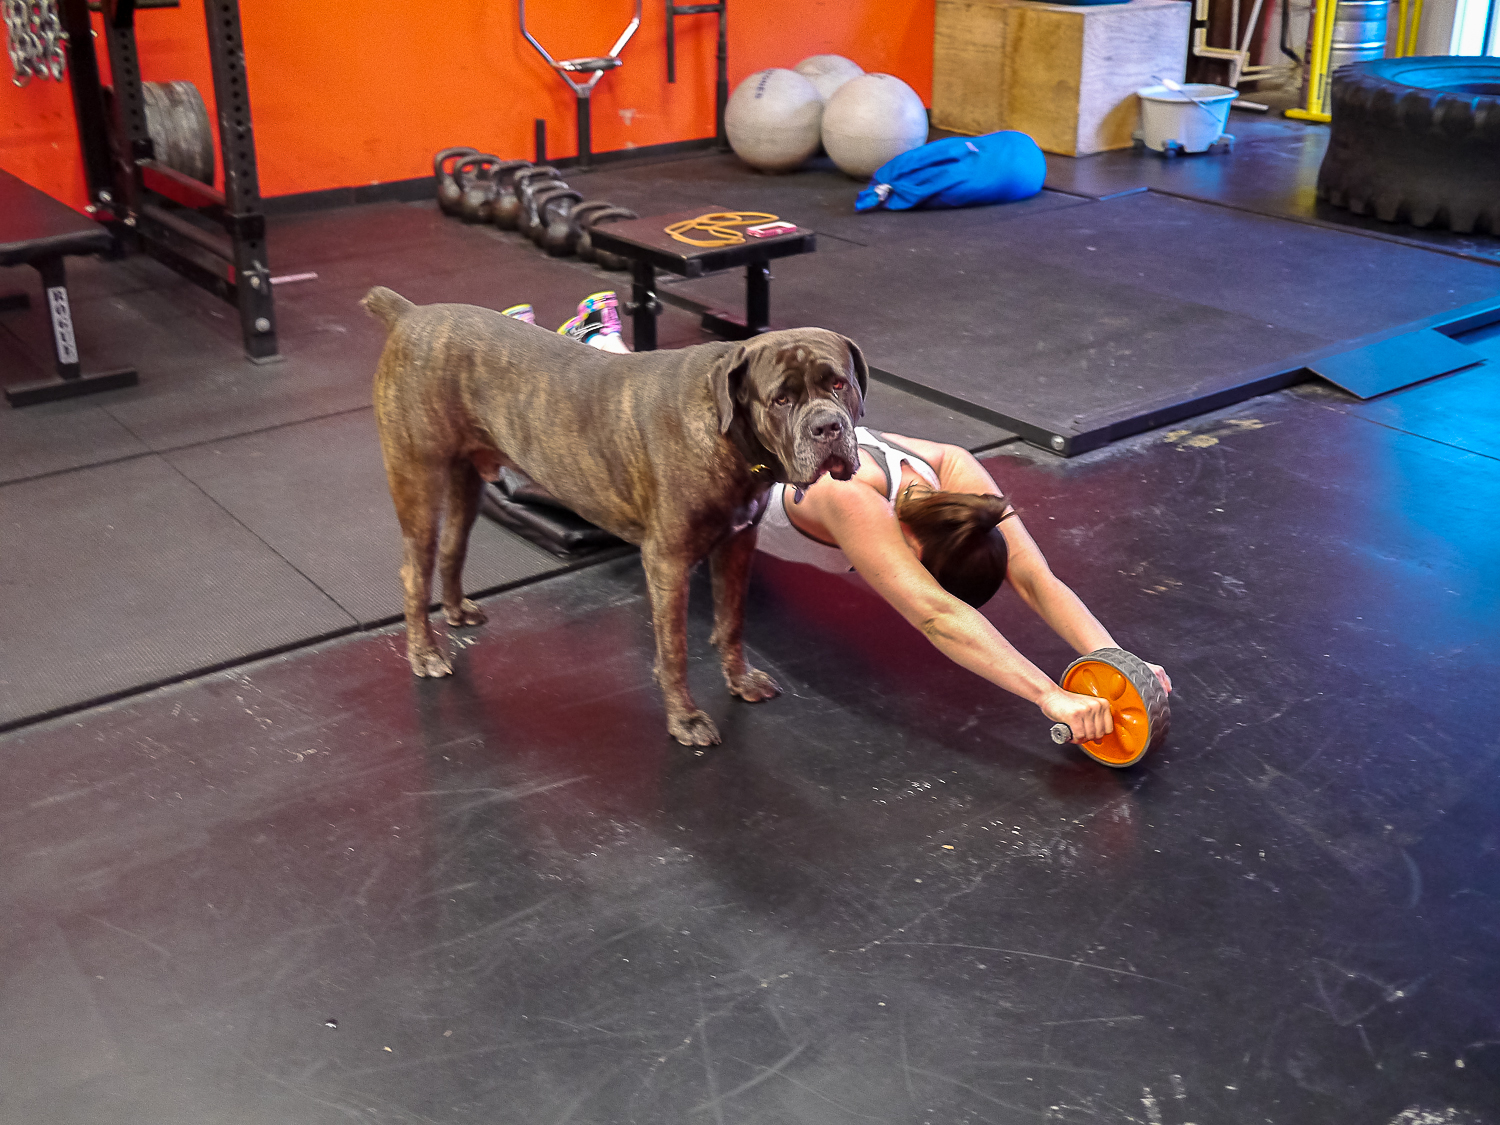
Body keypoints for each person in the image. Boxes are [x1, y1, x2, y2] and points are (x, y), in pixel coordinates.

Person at [505, 294, 1170, 745]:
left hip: (794, 438)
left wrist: (1119, 661)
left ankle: (589, 336)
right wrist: (1049, 696)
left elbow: (1036, 577)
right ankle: (565, 341)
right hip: (724, 480)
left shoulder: (955, 469)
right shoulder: (851, 503)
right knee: (602, 433)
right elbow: (937, 615)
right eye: (921, 569)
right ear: (916, 547)